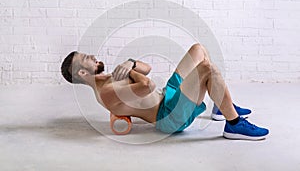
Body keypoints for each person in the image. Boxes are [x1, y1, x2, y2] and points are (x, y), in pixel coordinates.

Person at [61, 43, 269, 140]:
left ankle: (221, 108)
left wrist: (131, 62)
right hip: (169, 115)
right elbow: (147, 85)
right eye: (85, 58)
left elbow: (147, 69)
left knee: (198, 49)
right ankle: (234, 125)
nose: (91, 55)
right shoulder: (106, 91)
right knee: (207, 69)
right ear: (81, 72)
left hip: (167, 93)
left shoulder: (107, 78)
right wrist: (131, 71)